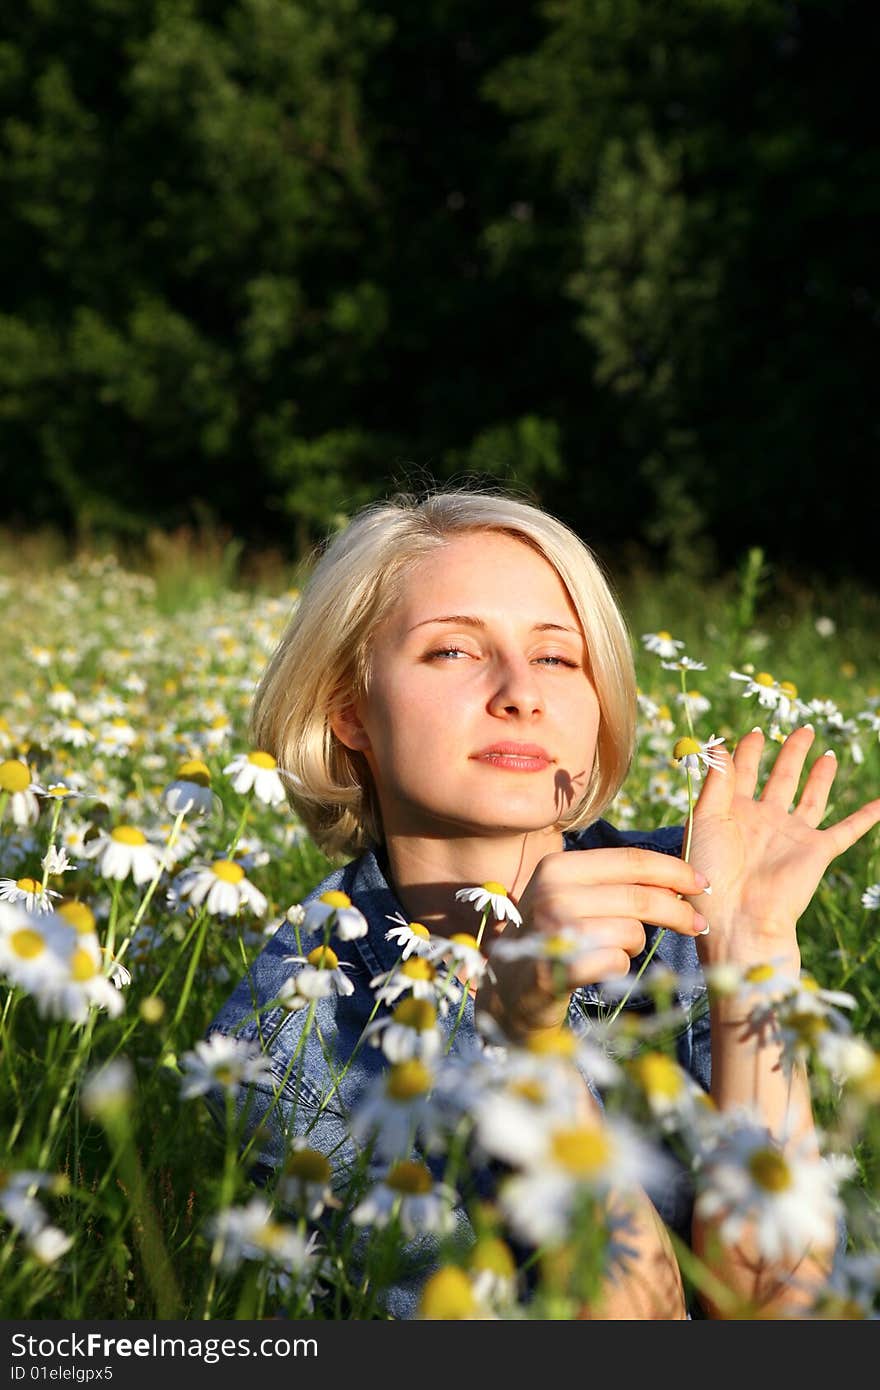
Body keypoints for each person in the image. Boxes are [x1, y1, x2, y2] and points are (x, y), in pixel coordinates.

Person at [207, 485, 880, 1319]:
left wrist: (751, 957)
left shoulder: (690, 898)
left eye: (559, 657)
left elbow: (786, 1314)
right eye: (453, 651)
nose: (521, 691)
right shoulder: (293, 1031)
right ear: (348, 707)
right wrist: (528, 1050)